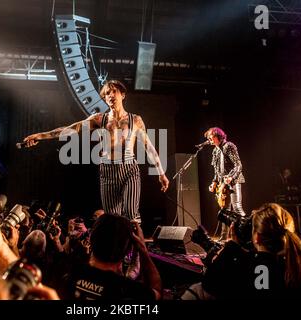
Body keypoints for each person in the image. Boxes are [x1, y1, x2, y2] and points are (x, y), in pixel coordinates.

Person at [23, 80, 169, 222]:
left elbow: (148, 147)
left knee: (131, 215)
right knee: (112, 218)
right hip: (107, 171)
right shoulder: (99, 119)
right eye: (107, 93)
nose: (110, 95)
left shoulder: (135, 120)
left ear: (122, 95)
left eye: (114, 91)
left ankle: (138, 247)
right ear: (104, 99)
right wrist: (40, 136)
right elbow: (70, 129)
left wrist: (161, 173)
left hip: (129, 169)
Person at [61, 214, 162, 300]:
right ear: (128, 249)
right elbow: (157, 292)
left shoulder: (69, 274)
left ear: (91, 239)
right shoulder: (128, 289)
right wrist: (143, 249)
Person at [204, 127, 245, 239]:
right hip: (223, 185)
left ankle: (246, 232)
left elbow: (238, 165)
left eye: (211, 137)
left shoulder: (229, 146)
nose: (210, 139)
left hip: (233, 181)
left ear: (218, 136)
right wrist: (214, 182)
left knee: (236, 207)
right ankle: (223, 237)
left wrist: (231, 177)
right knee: (224, 211)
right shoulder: (215, 151)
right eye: (209, 138)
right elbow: (217, 171)